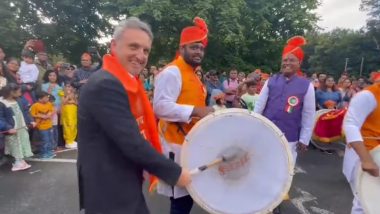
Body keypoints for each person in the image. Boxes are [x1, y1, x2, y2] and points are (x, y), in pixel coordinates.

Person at [77, 17, 191, 214]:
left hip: (120, 178)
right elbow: (132, 142)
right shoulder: (106, 84)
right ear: (114, 45)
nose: (140, 55)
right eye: (134, 47)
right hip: (109, 185)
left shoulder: (126, 82)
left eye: (145, 50)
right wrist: (175, 173)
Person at [153, 17, 214, 214]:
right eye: (194, 47)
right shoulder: (173, 71)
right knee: (180, 200)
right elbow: (160, 107)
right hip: (175, 144)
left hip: (191, 141)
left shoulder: (193, 73)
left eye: (202, 48)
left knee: (188, 197)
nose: (199, 52)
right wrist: (196, 111)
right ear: (182, 48)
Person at [254, 36, 315, 214]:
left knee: (282, 171)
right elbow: (259, 106)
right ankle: (260, 201)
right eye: (285, 60)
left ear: (299, 63)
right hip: (266, 133)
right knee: (262, 166)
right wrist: (253, 128)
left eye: (292, 60)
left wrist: (304, 138)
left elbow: (309, 114)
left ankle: (275, 202)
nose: (287, 63)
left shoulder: (306, 86)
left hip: (289, 137)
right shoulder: (271, 81)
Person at [342, 72, 380, 214]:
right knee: (366, 202)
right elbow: (351, 124)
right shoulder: (368, 96)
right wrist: (367, 160)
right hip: (370, 156)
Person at [1, 83, 34, 171]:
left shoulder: (19, 100)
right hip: (12, 128)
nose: (20, 92)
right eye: (18, 91)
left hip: (21, 126)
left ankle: (21, 160)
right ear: (11, 92)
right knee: (14, 144)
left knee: (23, 141)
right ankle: (17, 161)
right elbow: (0, 118)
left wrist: (31, 120)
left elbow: (26, 111)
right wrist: (7, 128)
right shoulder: (2, 103)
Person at [30, 91, 55, 159]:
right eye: (45, 97)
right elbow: (32, 114)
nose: (47, 99)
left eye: (47, 97)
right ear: (40, 99)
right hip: (41, 126)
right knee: (44, 140)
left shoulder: (49, 104)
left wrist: (49, 114)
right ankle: (44, 153)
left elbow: (52, 110)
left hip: (49, 125)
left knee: (50, 139)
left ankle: (49, 151)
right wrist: (41, 116)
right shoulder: (35, 105)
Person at [60, 82, 78, 149]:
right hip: (67, 111)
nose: (69, 88)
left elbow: (77, 103)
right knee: (68, 125)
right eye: (67, 86)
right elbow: (63, 102)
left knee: (74, 125)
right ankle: (68, 141)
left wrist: (73, 101)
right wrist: (68, 96)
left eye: (70, 86)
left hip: (74, 111)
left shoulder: (74, 94)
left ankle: (72, 140)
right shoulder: (62, 94)